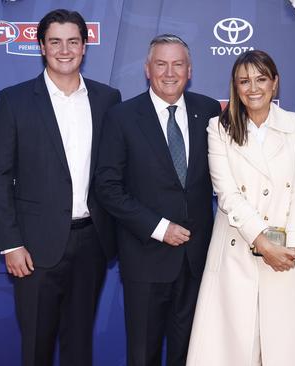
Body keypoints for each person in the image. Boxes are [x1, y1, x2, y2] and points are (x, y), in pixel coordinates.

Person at [0, 9, 121, 366]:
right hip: (33, 247)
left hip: (92, 241)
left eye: (73, 41)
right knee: (36, 346)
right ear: (42, 47)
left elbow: (114, 173)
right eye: (55, 41)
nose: (65, 49)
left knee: (79, 346)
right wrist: (11, 244)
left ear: (84, 47)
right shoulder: (14, 100)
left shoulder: (108, 99)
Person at [186, 50, 295, 366]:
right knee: (231, 350)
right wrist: (262, 242)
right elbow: (226, 194)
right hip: (236, 251)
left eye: (261, 79)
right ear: (235, 86)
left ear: (275, 83)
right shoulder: (219, 128)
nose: (253, 88)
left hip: (288, 257)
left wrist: (291, 246)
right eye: (244, 81)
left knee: (291, 350)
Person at [94, 34, 220, 366]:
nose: (169, 72)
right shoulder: (121, 117)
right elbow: (107, 187)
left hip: (196, 262)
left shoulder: (208, 111)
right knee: (143, 355)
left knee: (189, 354)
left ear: (189, 70)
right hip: (146, 259)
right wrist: (159, 227)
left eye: (178, 64)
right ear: (147, 69)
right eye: (161, 64)